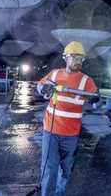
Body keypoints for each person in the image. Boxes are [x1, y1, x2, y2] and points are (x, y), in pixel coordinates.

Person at [37, 41, 98, 196]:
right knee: (49, 168)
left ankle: (59, 194)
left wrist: (96, 100)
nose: (78, 61)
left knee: (66, 170)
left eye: (81, 59)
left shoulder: (86, 81)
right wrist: (43, 88)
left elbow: (98, 101)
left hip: (71, 134)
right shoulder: (55, 74)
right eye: (75, 57)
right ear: (66, 58)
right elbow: (40, 85)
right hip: (51, 130)